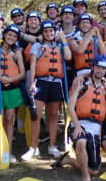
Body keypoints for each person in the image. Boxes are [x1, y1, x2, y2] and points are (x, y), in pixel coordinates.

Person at [51, 55, 106, 181]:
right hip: (80, 123)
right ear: (92, 67)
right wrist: (77, 125)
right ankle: (85, 178)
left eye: (103, 68)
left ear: (105, 70)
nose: (100, 71)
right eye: (97, 67)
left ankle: (70, 160)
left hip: (95, 127)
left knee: (94, 170)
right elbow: (71, 107)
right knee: (81, 141)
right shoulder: (80, 83)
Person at [21, 20, 72, 161]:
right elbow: (32, 65)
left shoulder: (60, 45)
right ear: (42, 33)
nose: (49, 34)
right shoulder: (37, 45)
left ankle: (52, 146)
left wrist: (62, 38)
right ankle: (32, 147)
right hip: (41, 82)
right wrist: (31, 84)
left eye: (51, 31)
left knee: (53, 116)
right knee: (36, 116)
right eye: (46, 31)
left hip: (56, 83)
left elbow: (68, 57)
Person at [0, 24, 26, 167]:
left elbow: (22, 73)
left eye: (14, 36)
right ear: (5, 34)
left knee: (9, 120)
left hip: (12, 90)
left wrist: (10, 79)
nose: (11, 37)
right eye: (9, 34)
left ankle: (8, 152)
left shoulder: (17, 52)